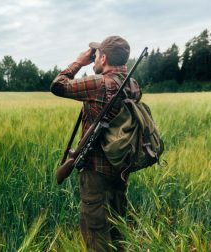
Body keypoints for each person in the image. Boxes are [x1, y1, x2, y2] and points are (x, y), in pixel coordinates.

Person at [50, 36, 142, 251]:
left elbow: (57, 85)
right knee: (117, 232)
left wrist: (79, 62)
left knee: (96, 237)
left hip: (95, 173)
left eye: (96, 56)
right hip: (120, 169)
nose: (93, 61)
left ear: (104, 57)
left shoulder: (99, 83)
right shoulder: (133, 84)